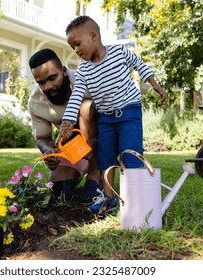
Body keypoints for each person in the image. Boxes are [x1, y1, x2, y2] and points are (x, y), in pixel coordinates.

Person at [58, 16, 166, 214]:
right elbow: (76, 97)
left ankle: (135, 200)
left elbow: (139, 64)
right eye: (72, 47)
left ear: (93, 36)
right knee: (106, 158)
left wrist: (155, 85)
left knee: (129, 156)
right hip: (106, 118)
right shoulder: (83, 70)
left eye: (77, 44)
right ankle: (108, 199)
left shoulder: (118, 52)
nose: (76, 50)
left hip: (129, 112)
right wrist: (67, 120)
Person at [28, 48, 101, 202]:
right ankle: (79, 168)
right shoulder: (36, 101)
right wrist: (48, 151)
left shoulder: (87, 81)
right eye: (41, 82)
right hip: (73, 146)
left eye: (52, 78)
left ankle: (96, 173)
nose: (47, 87)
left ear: (63, 71)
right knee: (59, 189)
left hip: (103, 144)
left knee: (86, 107)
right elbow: (42, 137)